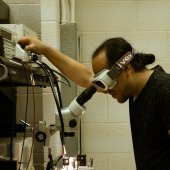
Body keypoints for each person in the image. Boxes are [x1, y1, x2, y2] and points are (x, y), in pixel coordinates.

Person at [18, 36, 170, 170]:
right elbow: (86, 77)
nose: (105, 88)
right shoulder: (137, 90)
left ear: (127, 68)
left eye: (106, 81)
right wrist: (45, 49)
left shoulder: (165, 89)